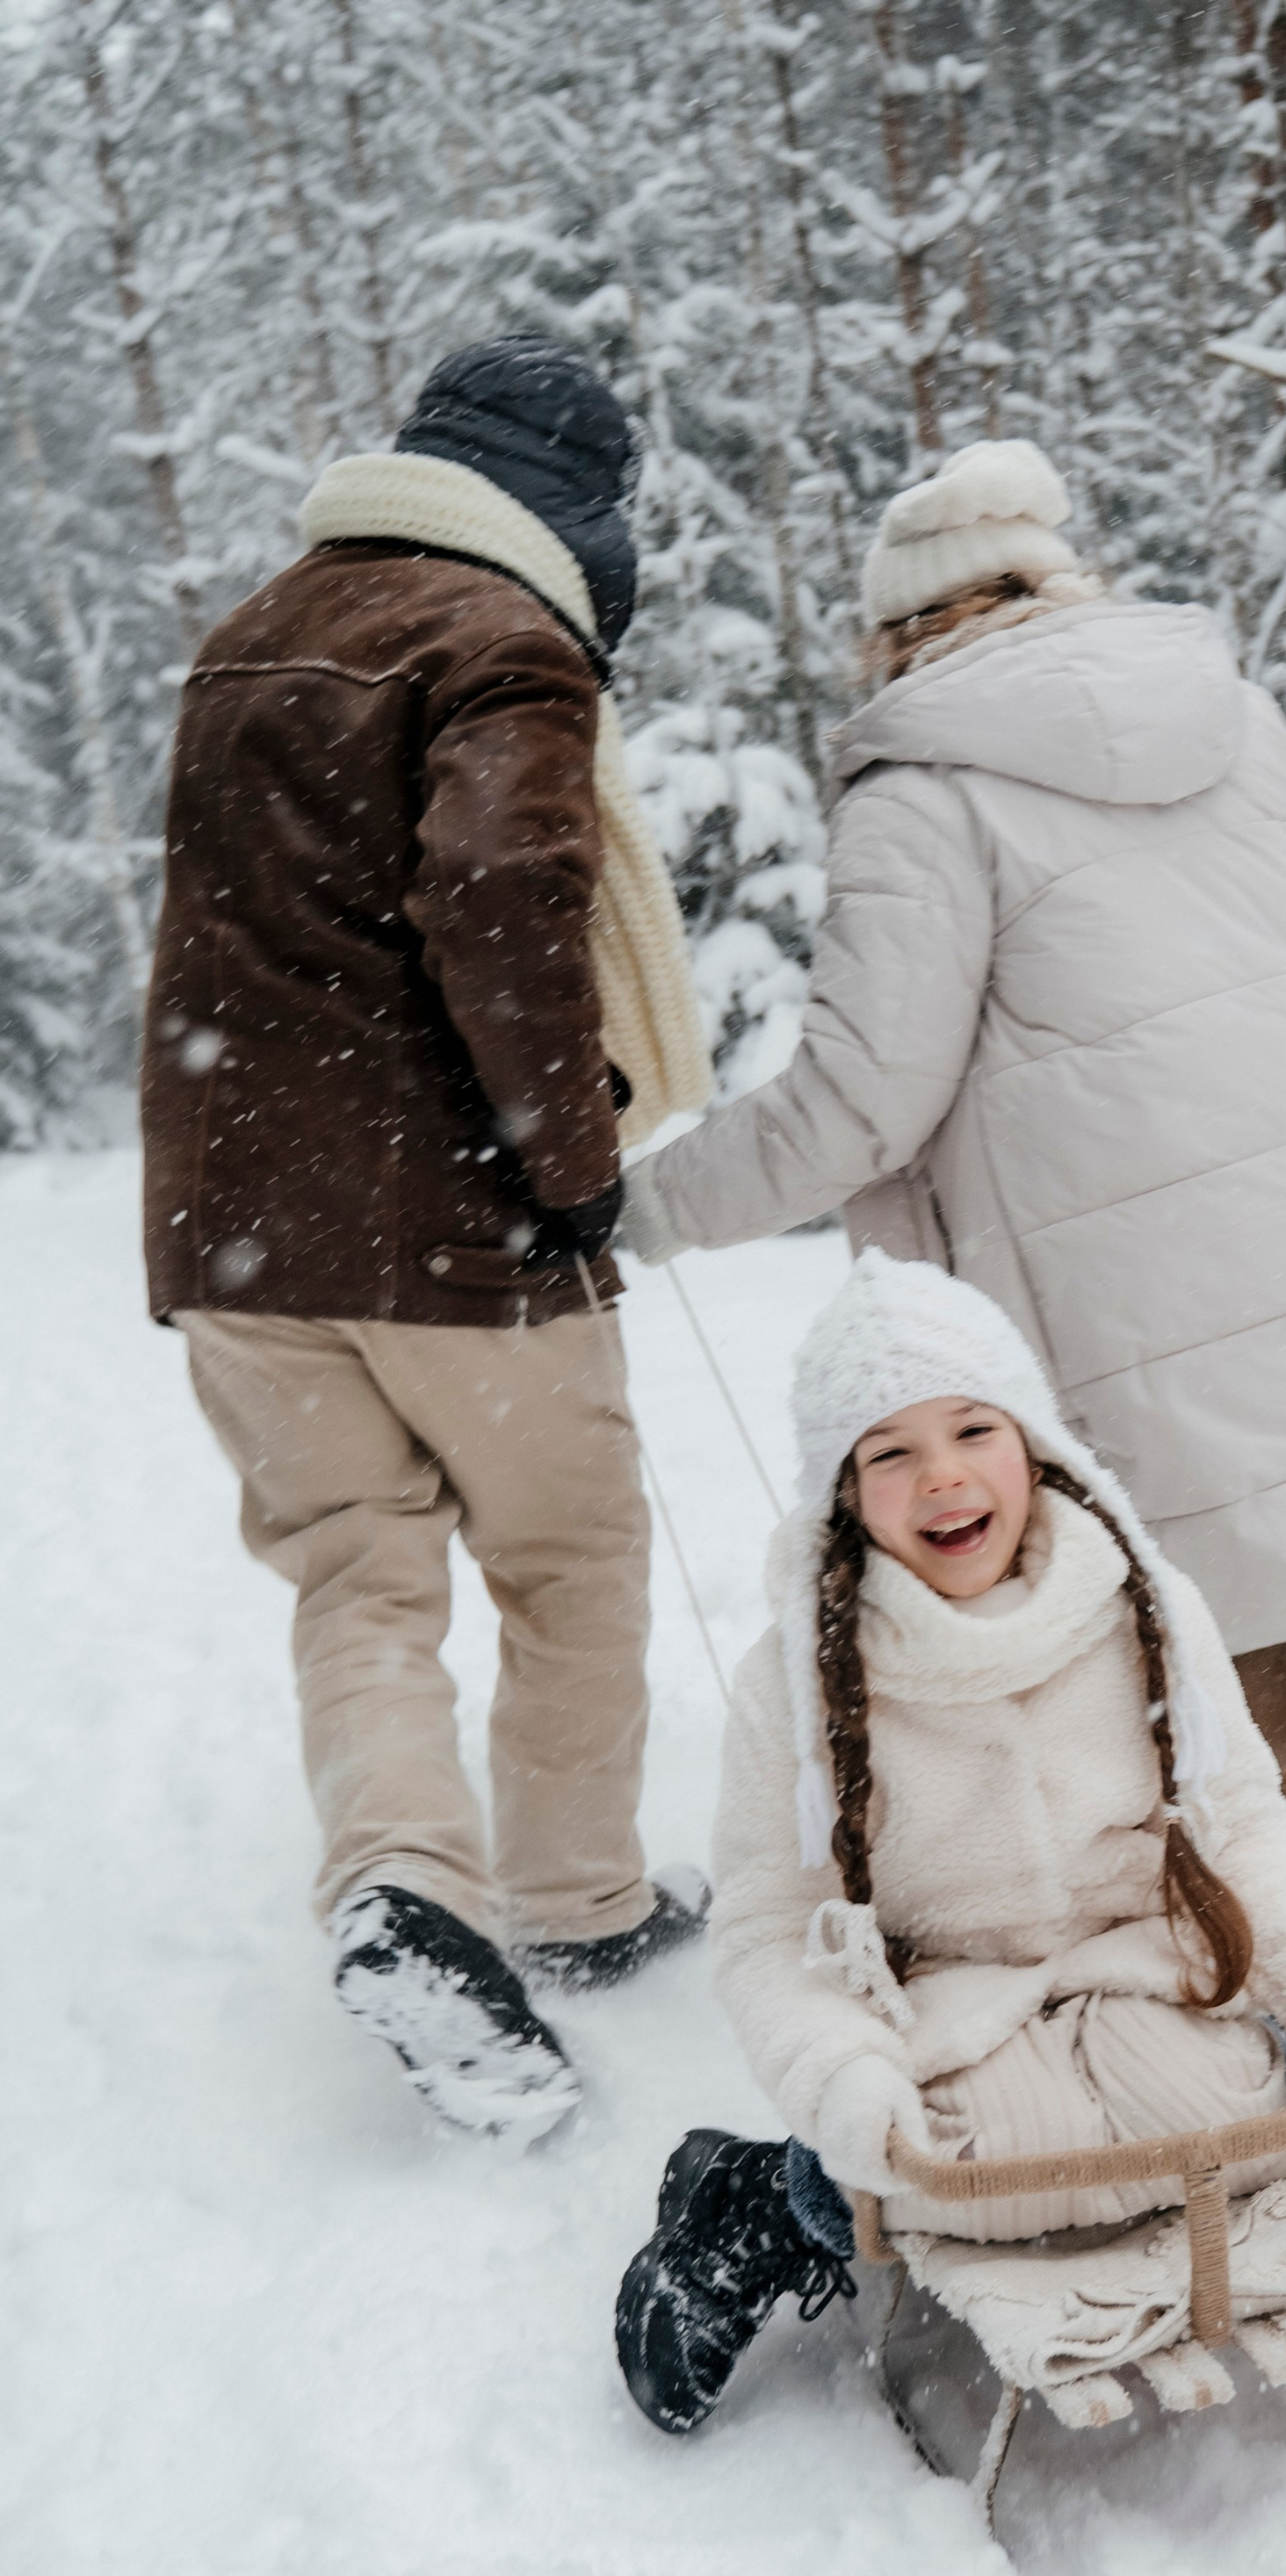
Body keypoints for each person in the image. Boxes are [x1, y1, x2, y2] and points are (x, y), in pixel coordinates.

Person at [618, 437, 1286, 1856]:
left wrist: (651, 1206)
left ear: (903, 628)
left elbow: (864, 1097)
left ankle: (1243, 1823)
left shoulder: (921, 785)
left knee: (1167, 1537)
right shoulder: (1236, 720)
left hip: (1109, 1235)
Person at [141, 336, 716, 2142]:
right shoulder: (501, 642)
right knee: (571, 1557)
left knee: (357, 1575)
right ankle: (574, 1900)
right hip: (449, 1229)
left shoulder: (247, 632)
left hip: (238, 1235)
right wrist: (570, 1155)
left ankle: (404, 1892)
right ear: (572, 512)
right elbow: (498, 894)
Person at [614, 1253, 1286, 2437]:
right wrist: (848, 2085)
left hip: (1157, 1990)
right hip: (954, 2032)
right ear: (844, 1493)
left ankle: (1279, 2105)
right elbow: (768, 1928)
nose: (942, 1477)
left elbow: (1243, 1829)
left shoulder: (1150, 1609)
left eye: (971, 1431)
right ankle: (764, 2198)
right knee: (944, 2177)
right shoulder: (799, 1675)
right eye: (889, 1452)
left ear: (1036, 1448)